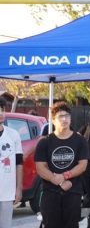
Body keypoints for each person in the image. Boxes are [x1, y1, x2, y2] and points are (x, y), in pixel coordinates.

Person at [34, 101, 90, 228]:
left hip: (73, 191)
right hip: (50, 192)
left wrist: (65, 176)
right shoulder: (44, 142)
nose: (64, 119)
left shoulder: (80, 140)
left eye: (67, 116)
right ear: (53, 120)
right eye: (60, 116)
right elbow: (40, 167)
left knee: (71, 225)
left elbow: (83, 165)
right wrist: (57, 180)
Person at [0, 98, 22, 228]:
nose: (1, 113)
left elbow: (19, 163)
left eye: (2, 110)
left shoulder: (13, 135)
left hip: (7, 192)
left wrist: (18, 188)